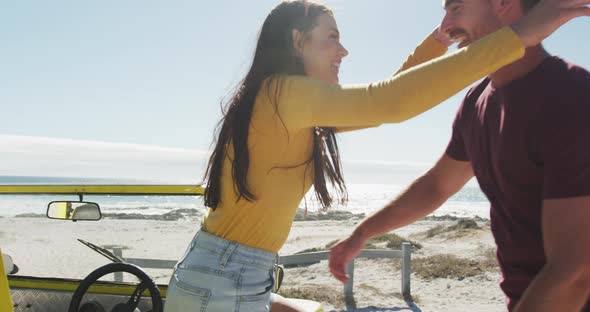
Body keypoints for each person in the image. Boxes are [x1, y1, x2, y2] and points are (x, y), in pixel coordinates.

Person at [163, 0, 589, 311]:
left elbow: (387, 103)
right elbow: (390, 102)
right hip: (224, 279)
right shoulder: (283, 94)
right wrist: (521, 34)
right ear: (297, 40)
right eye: (333, 39)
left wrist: (437, 41)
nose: (344, 51)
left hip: (231, 273)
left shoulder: (292, 102)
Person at [329, 0, 590, 311]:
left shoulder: (571, 96)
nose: (446, 27)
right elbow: (437, 186)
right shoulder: (477, 101)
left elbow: (575, 271)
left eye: (455, 8)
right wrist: (364, 232)